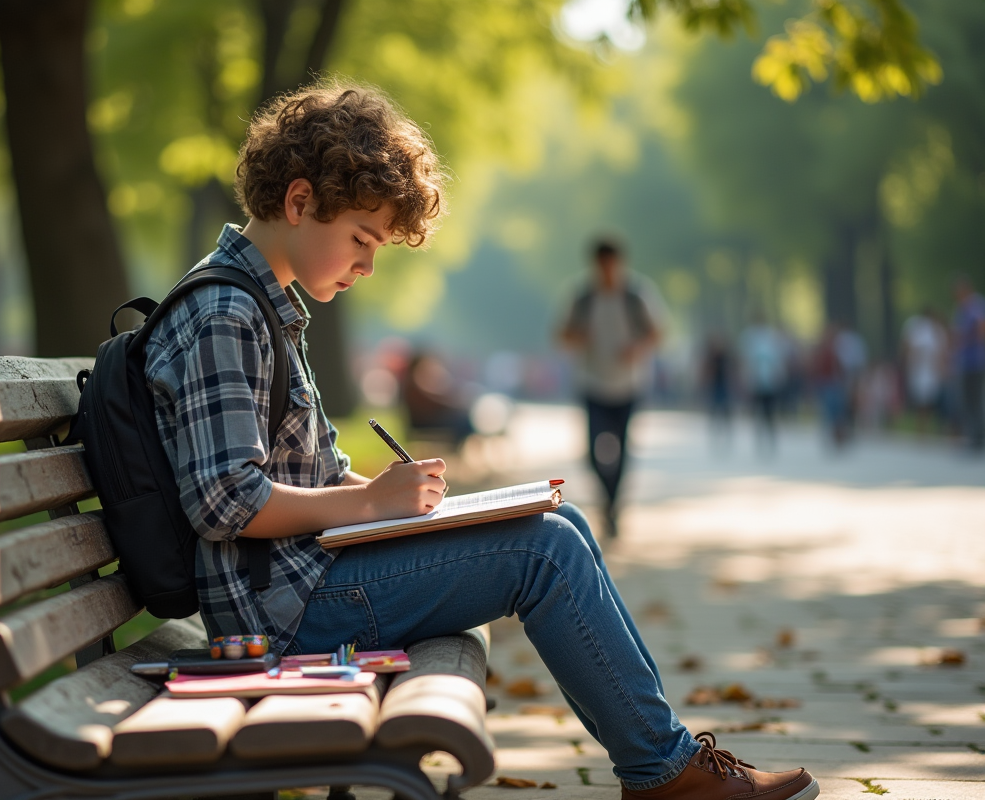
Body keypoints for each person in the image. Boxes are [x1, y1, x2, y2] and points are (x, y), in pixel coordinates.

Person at [144, 82, 818, 800]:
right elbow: (226, 501)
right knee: (545, 551)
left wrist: (424, 509)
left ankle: (665, 760)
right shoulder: (226, 313)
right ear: (300, 201)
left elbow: (311, 477)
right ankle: (663, 772)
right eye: (362, 240)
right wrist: (370, 503)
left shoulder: (262, 306)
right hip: (284, 612)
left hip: (303, 582)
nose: (367, 265)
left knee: (560, 523)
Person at [557, 238, 665, 537]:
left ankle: (613, 506)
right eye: (602, 265)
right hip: (592, 383)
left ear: (619, 263)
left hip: (629, 385)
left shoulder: (636, 295)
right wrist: (579, 336)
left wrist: (637, 348)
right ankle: (608, 499)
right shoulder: (583, 297)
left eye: (611, 265)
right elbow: (562, 334)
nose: (607, 271)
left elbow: (656, 332)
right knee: (593, 452)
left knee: (622, 449)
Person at [738, 318, 788, 454]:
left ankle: (770, 438)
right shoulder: (750, 337)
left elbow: (777, 361)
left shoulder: (770, 338)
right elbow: (746, 361)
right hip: (757, 383)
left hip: (768, 383)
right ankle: (761, 439)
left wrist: (779, 376)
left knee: (769, 413)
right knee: (759, 413)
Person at [900, 308, 947, 433]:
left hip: (930, 370)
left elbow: (941, 351)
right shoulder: (915, 327)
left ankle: (925, 425)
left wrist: (941, 367)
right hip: (918, 369)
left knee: (929, 399)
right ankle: (921, 425)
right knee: (920, 399)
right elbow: (908, 346)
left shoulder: (936, 330)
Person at [951, 276, 985, 451]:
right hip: (965, 362)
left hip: (975, 362)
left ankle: (977, 438)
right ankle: (974, 437)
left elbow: (981, 326)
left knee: (974, 400)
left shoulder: (974, 305)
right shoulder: (962, 308)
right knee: (968, 401)